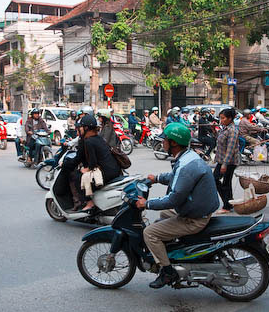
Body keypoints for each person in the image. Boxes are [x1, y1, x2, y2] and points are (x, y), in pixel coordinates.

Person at [135, 123, 219, 289]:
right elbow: (175, 177)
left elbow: (173, 199)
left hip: (194, 218)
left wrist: (147, 204)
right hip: (196, 208)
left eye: (165, 140)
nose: (163, 143)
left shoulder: (186, 166)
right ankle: (175, 249)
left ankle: (167, 271)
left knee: (150, 233)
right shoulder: (188, 156)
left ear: (173, 143)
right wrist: (156, 178)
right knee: (165, 215)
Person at [70, 115, 122, 211]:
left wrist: (86, 169)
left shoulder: (88, 141)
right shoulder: (98, 138)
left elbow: (93, 162)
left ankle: (89, 203)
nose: (79, 129)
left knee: (77, 177)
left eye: (81, 127)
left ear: (86, 128)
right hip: (115, 169)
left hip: (106, 173)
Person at [214, 108, 240, 214]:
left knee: (221, 181)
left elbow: (230, 149)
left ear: (230, 118)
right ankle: (229, 202)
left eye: (223, 118)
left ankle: (227, 205)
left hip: (228, 162)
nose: (221, 120)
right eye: (220, 118)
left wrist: (225, 164)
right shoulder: (225, 128)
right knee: (224, 182)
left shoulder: (232, 130)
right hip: (222, 160)